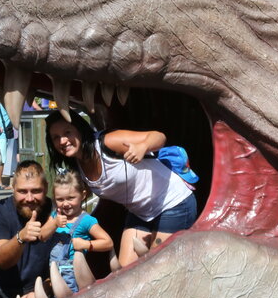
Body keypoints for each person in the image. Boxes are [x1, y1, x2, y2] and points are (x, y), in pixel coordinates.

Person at [45, 111, 197, 268]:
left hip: (172, 203)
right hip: (140, 213)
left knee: (158, 267)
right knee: (126, 270)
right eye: (56, 137)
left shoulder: (107, 142)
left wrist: (143, 146)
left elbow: (159, 137)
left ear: (79, 129)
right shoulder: (77, 166)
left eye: (67, 132)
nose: (62, 140)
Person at [0, 160, 54, 298]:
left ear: (46, 188)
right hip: (4, 290)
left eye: (36, 191)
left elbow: (69, 259)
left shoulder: (56, 211)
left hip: (45, 286)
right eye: (22, 191)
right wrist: (21, 237)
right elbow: (1, 260)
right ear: (13, 188)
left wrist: (43, 289)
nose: (29, 198)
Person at [42, 170, 112, 295]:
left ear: (83, 195)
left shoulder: (86, 220)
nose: (65, 204)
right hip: (54, 275)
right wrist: (53, 224)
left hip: (75, 277)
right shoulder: (55, 216)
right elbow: (42, 236)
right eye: (60, 199)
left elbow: (108, 243)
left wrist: (86, 244)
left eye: (71, 198)